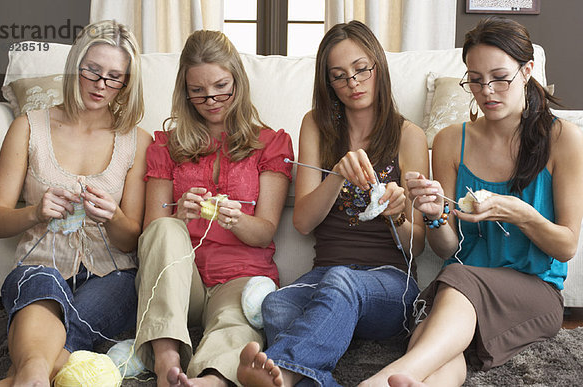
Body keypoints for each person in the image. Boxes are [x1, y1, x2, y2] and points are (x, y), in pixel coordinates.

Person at [360, 17, 583, 387]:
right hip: (458, 288)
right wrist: (434, 216)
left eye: (499, 77)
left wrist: (520, 213)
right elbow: (447, 246)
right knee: (438, 344)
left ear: (527, 71)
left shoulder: (564, 139)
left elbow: (566, 246)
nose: (487, 91)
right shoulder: (450, 140)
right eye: (475, 80)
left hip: (533, 292)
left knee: (443, 310)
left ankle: (381, 381)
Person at [237, 20, 429, 387]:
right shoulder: (316, 126)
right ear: (327, 83)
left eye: (361, 70)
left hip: (390, 284)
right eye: (339, 77)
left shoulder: (409, 136)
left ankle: (284, 368)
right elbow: (303, 223)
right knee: (275, 305)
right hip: (325, 276)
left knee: (343, 281)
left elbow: (416, 245)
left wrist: (398, 216)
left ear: (378, 67)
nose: (353, 83)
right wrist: (337, 175)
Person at [0, 20, 151, 386]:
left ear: (126, 83)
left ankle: (26, 373)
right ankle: (43, 371)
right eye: (92, 71)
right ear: (76, 64)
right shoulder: (29, 127)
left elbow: (131, 239)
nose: (100, 85)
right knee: (42, 284)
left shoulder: (136, 140)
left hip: (112, 275)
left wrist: (112, 216)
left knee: (78, 312)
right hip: (40, 266)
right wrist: (35, 211)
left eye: (114, 77)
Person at [134, 29, 293, 387]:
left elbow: (265, 230)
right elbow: (151, 232)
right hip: (180, 279)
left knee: (238, 319)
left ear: (238, 79)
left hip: (239, 274)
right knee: (164, 228)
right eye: (198, 91)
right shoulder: (166, 146)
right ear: (185, 91)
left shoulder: (271, 143)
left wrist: (237, 220)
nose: (211, 99)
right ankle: (166, 360)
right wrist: (179, 215)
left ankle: (210, 379)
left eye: (222, 86)